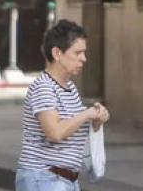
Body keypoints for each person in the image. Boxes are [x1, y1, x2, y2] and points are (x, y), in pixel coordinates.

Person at [16, 20, 110, 191]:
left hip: (66, 180)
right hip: (44, 178)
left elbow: (73, 128)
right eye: (78, 52)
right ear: (57, 53)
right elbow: (55, 133)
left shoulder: (70, 88)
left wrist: (96, 120)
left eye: (84, 52)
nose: (84, 58)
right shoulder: (44, 87)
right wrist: (86, 114)